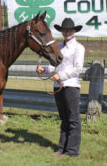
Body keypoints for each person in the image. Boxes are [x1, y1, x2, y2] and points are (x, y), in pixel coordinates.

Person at [36, 18, 85, 157]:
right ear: (61, 31)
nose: (66, 32)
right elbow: (54, 66)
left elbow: (77, 69)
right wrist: (44, 70)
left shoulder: (79, 48)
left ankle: (72, 151)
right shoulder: (60, 48)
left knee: (73, 119)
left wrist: (60, 76)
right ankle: (62, 148)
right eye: (64, 30)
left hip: (71, 86)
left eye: (69, 30)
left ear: (74, 31)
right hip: (59, 86)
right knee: (64, 118)